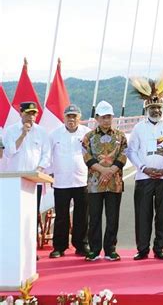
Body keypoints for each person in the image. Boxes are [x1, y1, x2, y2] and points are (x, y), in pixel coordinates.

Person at [127, 76, 163, 261]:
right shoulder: (138, 128)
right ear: (146, 108)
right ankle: (142, 249)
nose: (156, 110)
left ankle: (159, 247)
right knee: (143, 214)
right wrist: (143, 168)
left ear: (162, 108)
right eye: (152, 108)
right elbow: (131, 151)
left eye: (158, 107)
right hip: (143, 177)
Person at [3, 102, 51, 254]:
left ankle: (30, 250)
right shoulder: (10, 131)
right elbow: (9, 152)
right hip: (14, 181)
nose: (31, 117)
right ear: (20, 113)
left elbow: (46, 154)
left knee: (31, 216)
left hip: (33, 181)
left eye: (34, 114)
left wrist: (39, 169)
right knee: (14, 215)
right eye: (28, 113)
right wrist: (23, 134)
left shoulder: (42, 132)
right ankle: (13, 248)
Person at [82, 100, 127, 261]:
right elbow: (86, 157)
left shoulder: (120, 136)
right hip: (95, 184)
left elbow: (123, 155)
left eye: (109, 117)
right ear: (97, 118)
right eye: (103, 117)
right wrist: (103, 171)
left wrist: (110, 171)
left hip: (114, 184)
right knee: (94, 217)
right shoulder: (88, 137)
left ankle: (110, 249)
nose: (106, 120)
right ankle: (94, 249)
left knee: (112, 217)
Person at [48, 104, 91, 258]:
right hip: (61, 181)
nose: (71, 119)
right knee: (61, 216)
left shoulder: (87, 133)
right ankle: (59, 247)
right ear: (64, 117)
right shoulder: (54, 134)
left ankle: (81, 244)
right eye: (69, 116)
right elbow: (48, 156)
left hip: (82, 180)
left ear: (80, 118)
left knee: (82, 215)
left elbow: (92, 155)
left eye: (74, 116)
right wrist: (48, 174)